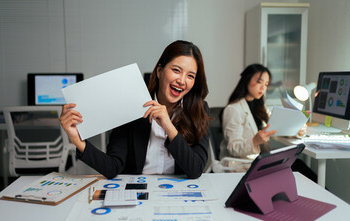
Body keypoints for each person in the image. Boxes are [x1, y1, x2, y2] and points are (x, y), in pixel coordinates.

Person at [60, 40, 210, 179]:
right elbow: (113, 167)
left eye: (190, 76)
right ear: (159, 71)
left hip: (178, 193)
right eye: (176, 70)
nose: (182, 81)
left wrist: (169, 127)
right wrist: (77, 140)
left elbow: (195, 170)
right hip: (138, 192)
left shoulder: (199, 110)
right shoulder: (132, 105)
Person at [219, 64, 317, 182]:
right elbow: (233, 148)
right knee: (297, 166)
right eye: (259, 82)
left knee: (297, 164)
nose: (263, 88)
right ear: (247, 80)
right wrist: (255, 141)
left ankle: (324, 193)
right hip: (242, 165)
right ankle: (325, 193)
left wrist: (296, 129)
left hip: (259, 160)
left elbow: (275, 129)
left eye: (266, 84)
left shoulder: (260, 107)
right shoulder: (233, 109)